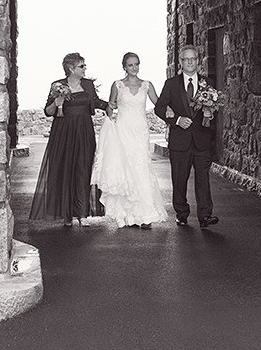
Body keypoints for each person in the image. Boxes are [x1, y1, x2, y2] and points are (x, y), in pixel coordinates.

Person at [30, 53, 110, 226]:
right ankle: (66, 214)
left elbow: (95, 102)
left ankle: (81, 214)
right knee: (64, 170)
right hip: (63, 133)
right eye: (81, 66)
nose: (85, 69)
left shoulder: (87, 85)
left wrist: (111, 105)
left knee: (83, 169)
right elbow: (48, 111)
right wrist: (56, 102)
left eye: (84, 66)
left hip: (84, 131)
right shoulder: (57, 86)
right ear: (71, 69)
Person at [93, 53, 168, 229]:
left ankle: (146, 214)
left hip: (140, 131)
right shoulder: (117, 85)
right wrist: (110, 108)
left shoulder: (146, 85)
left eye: (136, 64)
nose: (134, 68)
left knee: (141, 167)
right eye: (130, 65)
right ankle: (127, 213)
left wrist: (172, 113)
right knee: (125, 168)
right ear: (124, 67)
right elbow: (110, 109)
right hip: (123, 130)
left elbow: (159, 104)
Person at [154, 45, 219, 228]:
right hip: (179, 141)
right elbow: (160, 108)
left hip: (201, 140)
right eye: (186, 59)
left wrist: (210, 115)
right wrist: (176, 120)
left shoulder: (208, 83)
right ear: (181, 62)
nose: (190, 62)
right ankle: (181, 213)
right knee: (179, 179)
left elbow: (215, 108)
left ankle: (205, 216)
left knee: (203, 180)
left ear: (198, 61)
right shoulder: (171, 84)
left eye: (193, 59)